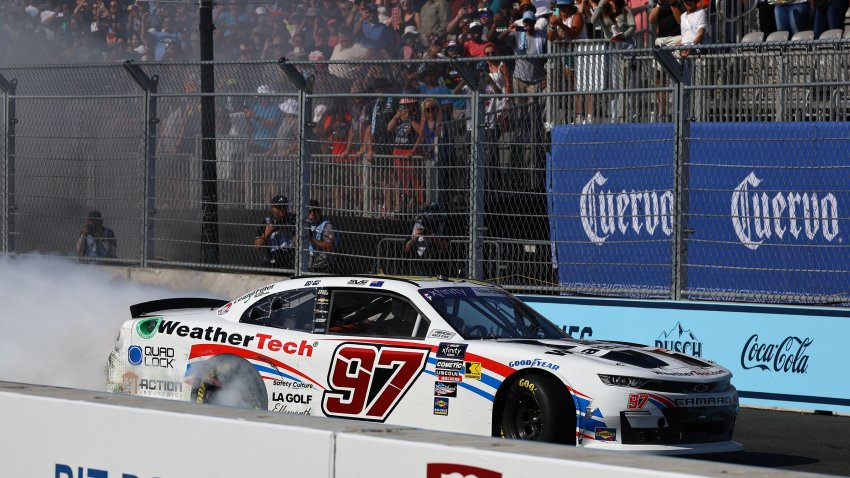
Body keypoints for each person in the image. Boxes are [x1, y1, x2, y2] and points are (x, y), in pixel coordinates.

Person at [404, 202, 450, 276]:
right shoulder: (417, 224)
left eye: (434, 219)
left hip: (435, 261)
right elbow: (406, 248)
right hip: (417, 261)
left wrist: (432, 238)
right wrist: (415, 237)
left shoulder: (441, 225)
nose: (432, 221)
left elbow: (446, 246)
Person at [254, 195, 295, 268]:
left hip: (291, 257)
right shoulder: (267, 221)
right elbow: (257, 245)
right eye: (279, 207)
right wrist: (267, 233)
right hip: (273, 257)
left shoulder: (293, 219)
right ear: (273, 208)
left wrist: (288, 228)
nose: (282, 209)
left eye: (284, 207)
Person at [304, 199, 336, 273]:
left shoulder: (326, 225)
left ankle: (313, 269)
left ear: (319, 212)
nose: (312, 214)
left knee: (325, 255)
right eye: (309, 211)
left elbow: (329, 246)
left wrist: (312, 239)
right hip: (307, 255)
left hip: (318, 256)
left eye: (315, 211)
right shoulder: (304, 224)